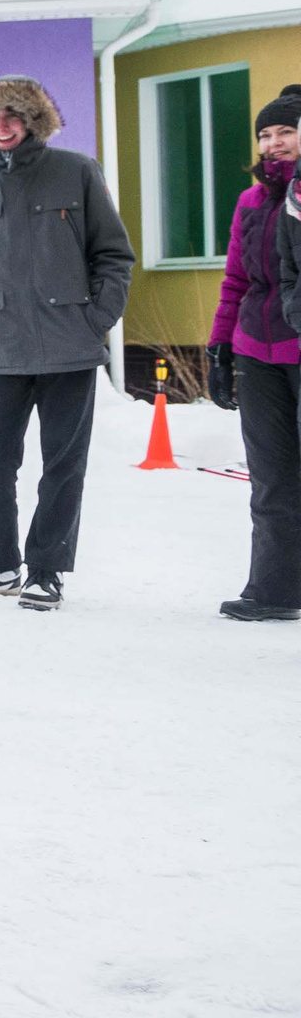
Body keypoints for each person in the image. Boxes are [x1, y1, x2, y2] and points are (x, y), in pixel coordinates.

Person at [0, 77, 135, 613]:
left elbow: (113, 255)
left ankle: (46, 571)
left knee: (62, 466)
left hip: (69, 345)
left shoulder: (76, 172)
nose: (2, 127)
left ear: (32, 122)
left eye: (13, 116)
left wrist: (97, 319)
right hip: (0, 348)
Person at [222, 83, 301, 623]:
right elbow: (236, 279)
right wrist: (219, 348)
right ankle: (274, 590)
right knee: (272, 477)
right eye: (265, 134)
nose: (272, 143)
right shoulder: (251, 200)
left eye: (286, 132)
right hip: (257, 350)